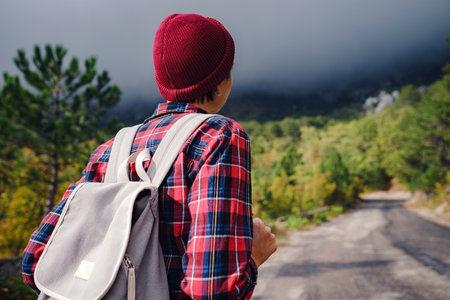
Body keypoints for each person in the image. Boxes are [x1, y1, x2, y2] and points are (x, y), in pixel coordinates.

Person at [22, 13, 277, 299]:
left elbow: (35, 262)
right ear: (220, 83)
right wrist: (253, 258)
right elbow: (210, 292)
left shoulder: (109, 151)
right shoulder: (219, 137)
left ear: (162, 82)